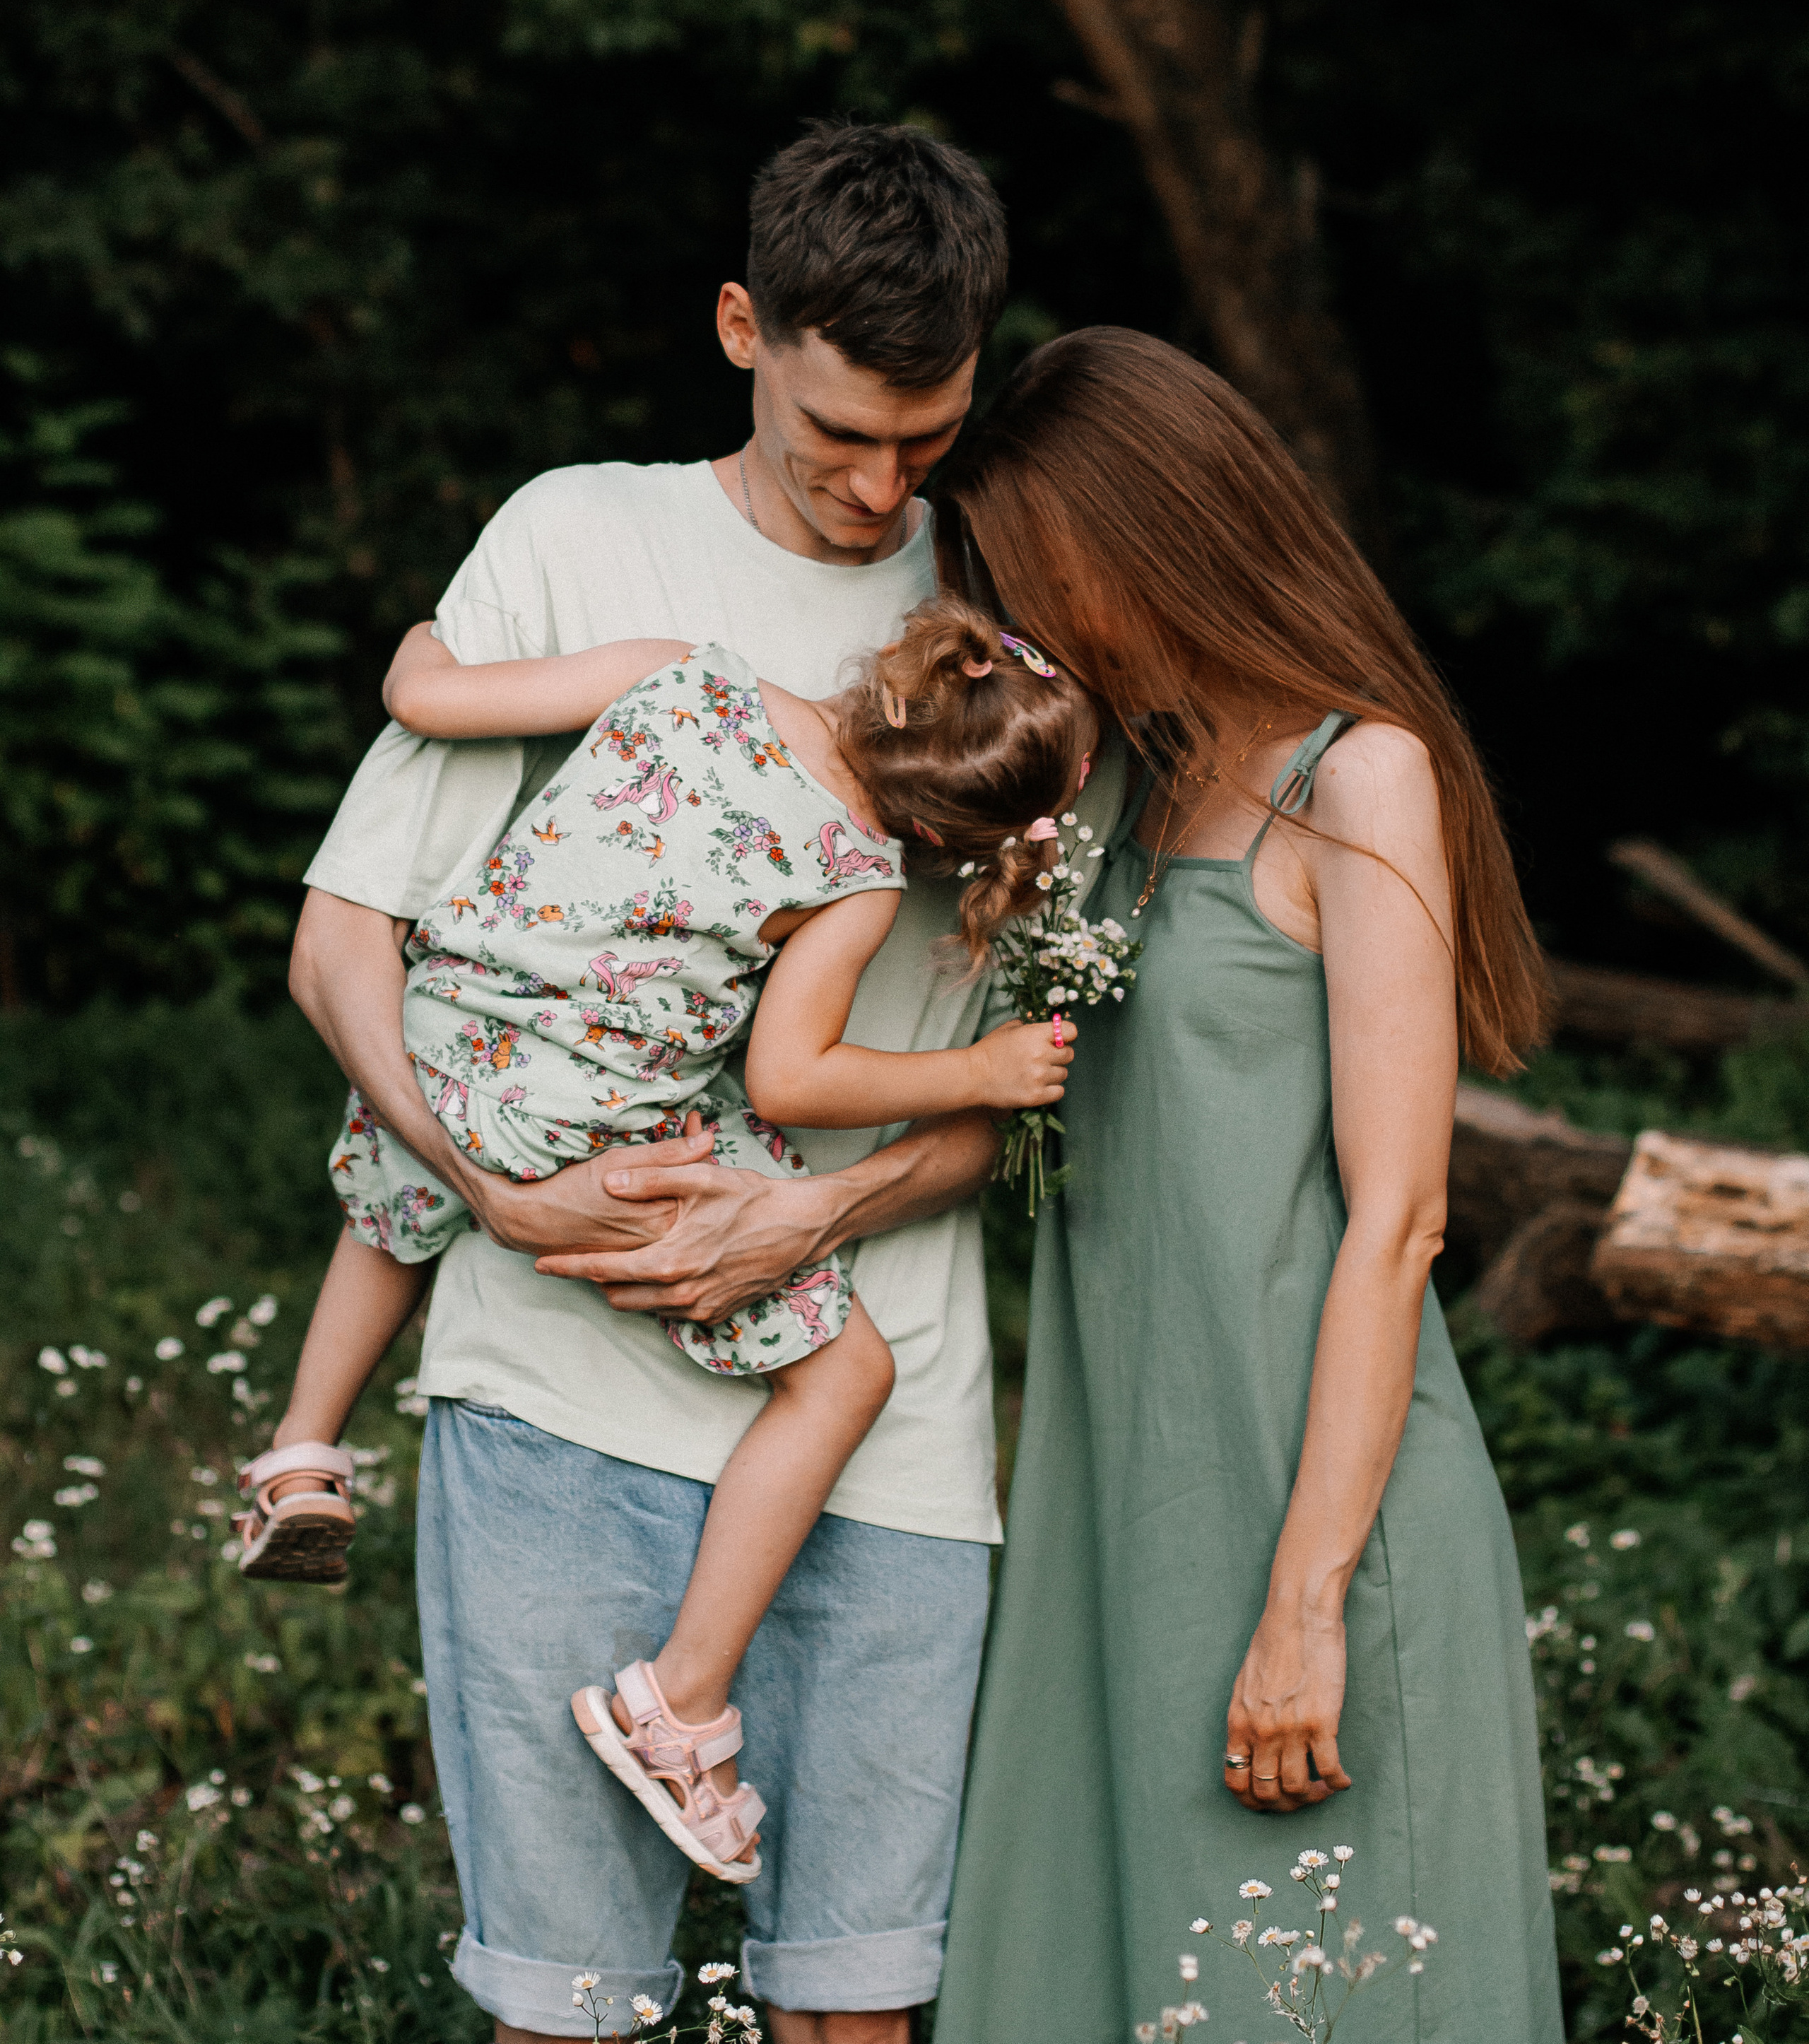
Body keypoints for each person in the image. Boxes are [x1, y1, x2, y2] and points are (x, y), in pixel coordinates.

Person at [288, 119, 1127, 2044]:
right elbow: (344, 950)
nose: (879, 484)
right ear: (743, 326)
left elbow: (1054, 1057)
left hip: (882, 1425)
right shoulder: (580, 543)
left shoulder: (1025, 601)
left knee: (858, 2012)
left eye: (927, 436)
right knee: (565, 2012)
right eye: (841, 430)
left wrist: (811, 1207)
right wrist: (487, 1191)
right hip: (558, 1399)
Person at [931, 328, 1565, 2044]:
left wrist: (1302, 1611)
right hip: (1117, 1501)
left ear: (1162, 537)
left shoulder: (1356, 779)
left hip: (1309, 1515)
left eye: (1051, 577)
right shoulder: (1115, 788)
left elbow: (1399, 1220)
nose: (1036, 623)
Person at [247, 604, 1091, 1889]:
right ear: (940, 837)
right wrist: (977, 1065)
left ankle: (302, 1455)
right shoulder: (857, 876)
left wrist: (421, 645)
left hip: (449, 1030)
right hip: (594, 1129)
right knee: (850, 1377)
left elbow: (428, 699)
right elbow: (793, 1079)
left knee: (395, 1201)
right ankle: (680, 1707)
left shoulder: (685, 672)